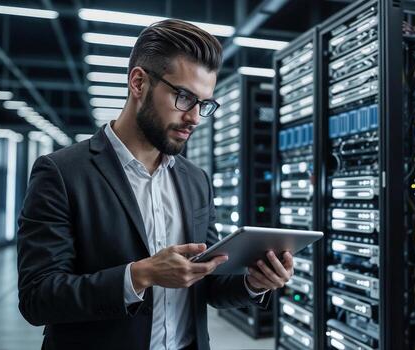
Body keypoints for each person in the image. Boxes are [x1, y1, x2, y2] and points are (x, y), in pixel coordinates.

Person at [17, 19, 294, 350]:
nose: (194, 117)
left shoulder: (195, 180)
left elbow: (210, 284)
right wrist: (139, 275)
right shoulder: (61, 173)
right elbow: (38, 297)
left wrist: (253, 282)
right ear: (138, 82)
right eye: (184, 97)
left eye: (204, 104)